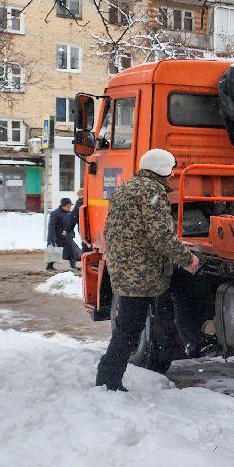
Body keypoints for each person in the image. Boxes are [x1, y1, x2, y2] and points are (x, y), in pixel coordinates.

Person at [94, 148, 201, 392]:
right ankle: (107, 381)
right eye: (170, 170)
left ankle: (110, 377)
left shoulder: (126, 188)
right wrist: (186, 258)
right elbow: (160, 236)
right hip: (141, 274)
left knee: (133, 325)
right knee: (129, 330)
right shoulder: (152, 191)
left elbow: (129, 230)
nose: (172, 174)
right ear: (162, 169)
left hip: (126, 268)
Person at [46, 197, 81, 272]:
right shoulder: (55, 214)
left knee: (72, 251)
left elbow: (70, 224)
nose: (69, 208)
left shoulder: (69, 213)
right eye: (68, 206)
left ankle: (73, 266)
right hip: (57, 237)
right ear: (63, 205)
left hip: (67, 237)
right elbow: (51, 227)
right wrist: (52, 238)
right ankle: (49, 266)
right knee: (54, 251)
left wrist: (72, 234)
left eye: (70, 206)